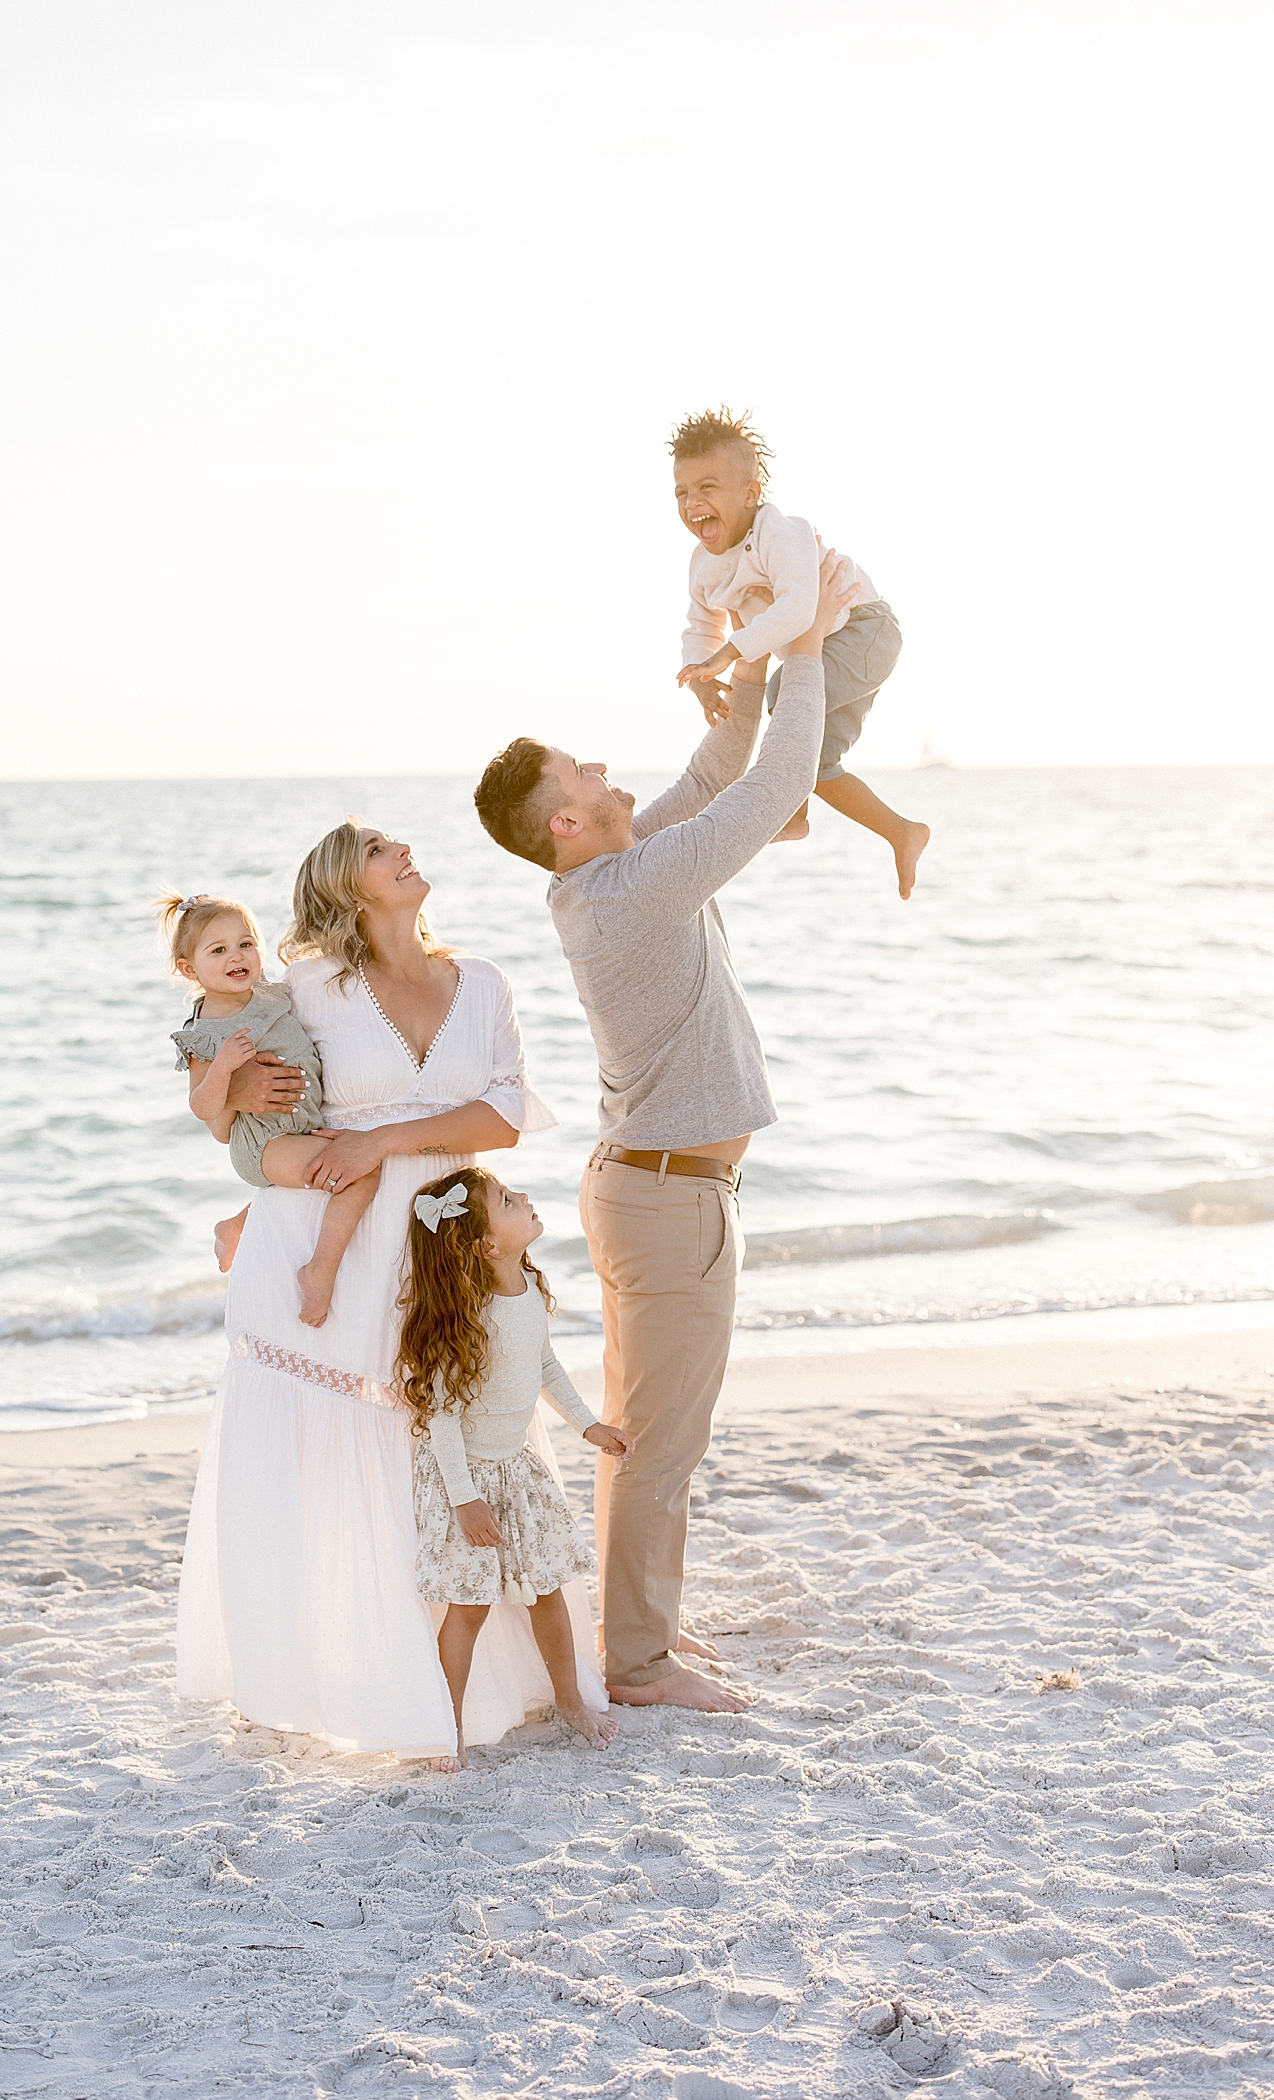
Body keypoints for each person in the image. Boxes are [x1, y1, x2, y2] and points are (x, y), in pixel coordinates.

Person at [473, 553, 857, 1713]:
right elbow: (775, 776)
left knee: (645, 1438)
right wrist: (804, 643)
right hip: (668, 1197)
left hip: (656, 1189)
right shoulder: (632, 886)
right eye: (578, 769)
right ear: (569, 821)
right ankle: (638, 1664)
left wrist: (743, 662)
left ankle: (639, 1640)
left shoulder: (611, 873)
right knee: (662, 1445)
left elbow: (715, 765)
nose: (601, 763)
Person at [175, 819, 598, 1760]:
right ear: (346, 885)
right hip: (333, 1237)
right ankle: (338, 1673)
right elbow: (236, 1083)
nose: (402, 846)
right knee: (336, 1445)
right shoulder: (312, 987)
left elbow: (503, 1117)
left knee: (469, 1422)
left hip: (448, 1240)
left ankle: (483, 1681)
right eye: (376, 845)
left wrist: (382, 1141)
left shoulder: (481, 982)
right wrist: (251, 1198)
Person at [396, 1167, 632, 1762]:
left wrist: (588, 1425)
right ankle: (444, 1726)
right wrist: (464, 1498)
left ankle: (570, 1701)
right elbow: (442, 1418)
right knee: (470, 1607)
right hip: (467, 1477)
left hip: (517, 1471)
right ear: (484, 1244)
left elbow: (545, 1365)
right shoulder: (464, 1315)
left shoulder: (526, 1285)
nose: (523, 1197)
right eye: (507, 1199)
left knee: (547, 1589)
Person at [670, 405, 930, 896]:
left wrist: (728, 653)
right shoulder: (703, 564)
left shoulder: (780, 532)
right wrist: (701, 678)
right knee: (817, 765)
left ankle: (793, 811)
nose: (692, 502)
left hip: (864, 629)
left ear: (751, 494)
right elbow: (700, 624)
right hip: (824, 651)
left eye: (708, 487)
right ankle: (902, 832)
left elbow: (797, 610)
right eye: (682, 492)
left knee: (783, 695)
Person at [160, 891, 378, 1327]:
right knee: (358, 1173)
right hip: (264, 1141)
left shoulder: (273, 995)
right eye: (218, 950)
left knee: (350, 1166)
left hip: (299, 1127)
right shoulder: (205, 1032)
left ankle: (237, 1226)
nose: (236, 956)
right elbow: (202, 1107)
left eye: (246, 943)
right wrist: (222, 1068)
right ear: (189, 969)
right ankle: (319, 1273)